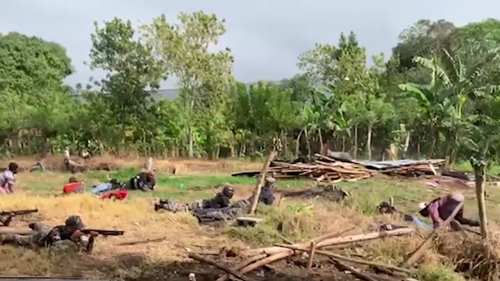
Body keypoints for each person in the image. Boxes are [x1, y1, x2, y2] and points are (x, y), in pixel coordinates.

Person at [0, 215, 96, 253]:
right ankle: (6, 237)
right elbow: (56, 246)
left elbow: (87, 251)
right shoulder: (57, 232)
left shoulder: (71, 232)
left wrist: (91, 238)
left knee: (41, 226)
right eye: (76, 228)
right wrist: (71, 238)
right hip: (42, 237)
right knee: (21, 240)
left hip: (47, 229)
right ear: (70, 227)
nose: (79, 230)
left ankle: (35, 225)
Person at [155, 185, 235, 212]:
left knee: (182, 206)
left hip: (200, 203)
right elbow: (228, 208)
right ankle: (162, 205)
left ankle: (164, 202)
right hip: (200, 205)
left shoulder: (221, 196)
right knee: (180, 209)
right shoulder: (224, 199)